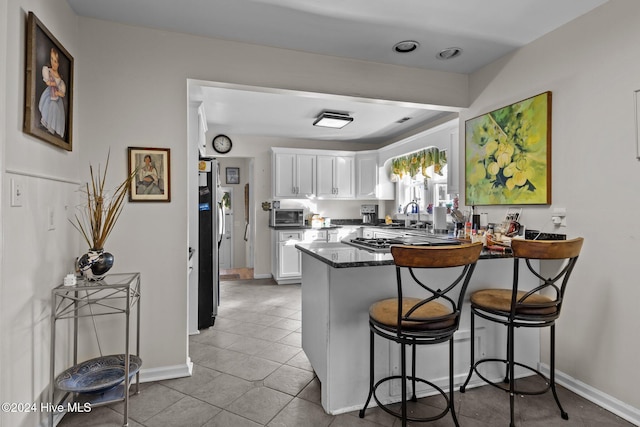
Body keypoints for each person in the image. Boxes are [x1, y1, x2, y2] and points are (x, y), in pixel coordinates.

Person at [38, 47, 66, 137]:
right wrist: (51, 83)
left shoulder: (60, 80)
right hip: (49, 94)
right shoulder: (48, 71)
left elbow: (63, 93)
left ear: (58, 64)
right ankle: (46, 123)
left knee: (55, 109)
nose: (53, 63)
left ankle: (52, 128)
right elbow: (47, 82)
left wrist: (59, 93)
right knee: (48, 107)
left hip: (56, 98)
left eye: (55, 61)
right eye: (52, 59)